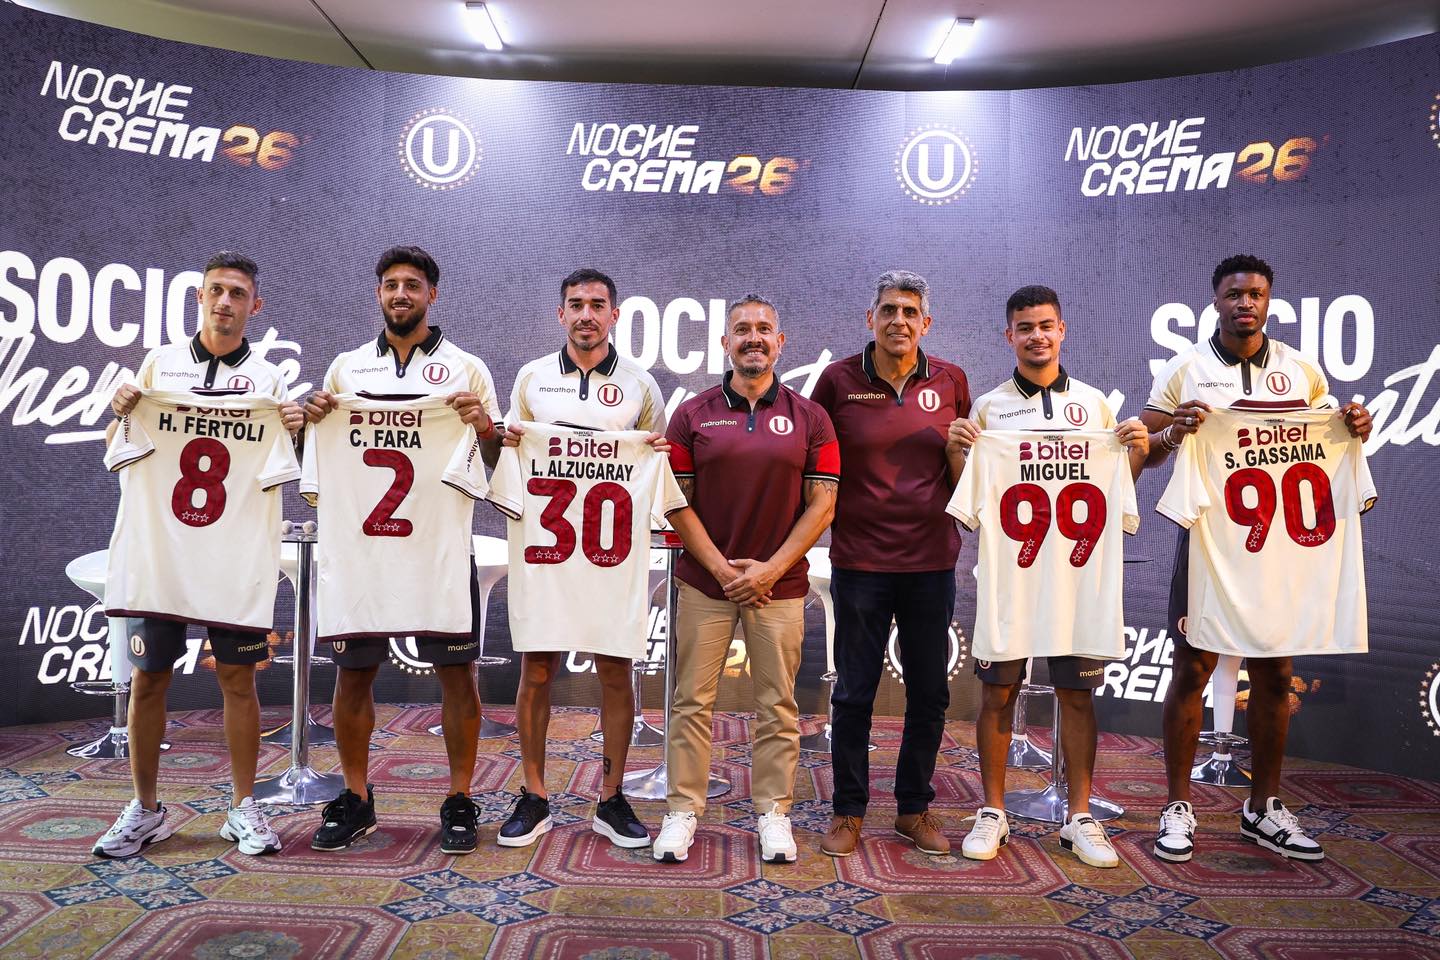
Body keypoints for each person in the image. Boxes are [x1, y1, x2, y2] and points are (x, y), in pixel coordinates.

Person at [1140, 254, 1372, 863]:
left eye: (1256, 294)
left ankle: (1262, 806)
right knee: (1192, 668)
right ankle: (1177, 805)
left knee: (1274, 671)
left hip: (1280, 549)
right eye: (1234, 294)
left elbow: (1331, 432)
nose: (1245, 303)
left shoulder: (1301, 370)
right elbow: (1145, 447)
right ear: (1215, 300)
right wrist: (1174, 432)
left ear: (1269, 301)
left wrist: (1355, 425)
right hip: (1210, 544)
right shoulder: (1186, 368)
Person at [93, 251, 305, 858]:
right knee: (148, 680)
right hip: (162, 553)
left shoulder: (268, 380)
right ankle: (145, 808)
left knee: (238, 680)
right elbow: (116, 449)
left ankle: (243, 805)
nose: (225, 302)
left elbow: (284, 466)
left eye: (237, 293)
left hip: (233, 557)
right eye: (216, 291)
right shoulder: (159, 365)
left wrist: (293, 428)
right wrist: (119, 412)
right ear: (200, 297)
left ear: (255, 306)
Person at [302, 245, 503, 854]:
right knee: (352, 675)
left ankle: (460, 797)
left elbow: (496, 461)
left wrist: (483, 427)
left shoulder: (467, 368)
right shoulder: (346, 369)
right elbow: (318, 460)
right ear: (378, 293)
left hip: (438, 548)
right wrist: (310, 421)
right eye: (390, 284)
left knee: (457, 675)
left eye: (412, 285)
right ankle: (356, 796)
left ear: (431, 295)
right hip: (362, 551)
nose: (400, 294)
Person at [950, 285, 1148, 867]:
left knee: (1078, 696)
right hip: (1012, 578)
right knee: (997, 693)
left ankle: (1079, 815)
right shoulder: (988, 409)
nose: (1036, 336)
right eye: (1024, 327)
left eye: (1045, 325)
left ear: (1062, 330)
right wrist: (957, 452)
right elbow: (968, 500)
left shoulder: (1096, 405)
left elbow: (1116, 493)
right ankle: (992, 809)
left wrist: (1136, 451)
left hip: (1078, 579)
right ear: (1008, 335)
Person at [654, 294, 839, 864]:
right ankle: (682, 809)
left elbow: (823, 504)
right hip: (705, 582)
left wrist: (771, 568)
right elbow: (675, 501)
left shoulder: (811, 417)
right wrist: (719, 568)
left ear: (780, 342)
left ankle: (773, 813)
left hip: (778, 585)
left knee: (777, 704)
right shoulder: (692, 414)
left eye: (763, 329)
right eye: (742, 329)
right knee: (691, 701)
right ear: (725, 342)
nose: (753, 338)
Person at [497, 268, 668, 849]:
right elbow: (511, 454)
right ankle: (534, 794)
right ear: (560, 314)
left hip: (609, 552)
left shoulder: (642, 385)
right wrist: (509, 442)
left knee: (616, 671)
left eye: (598, 304)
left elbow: (655, 462)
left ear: (615, 315)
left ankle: (611, 797)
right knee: (537, 670)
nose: (586, 315)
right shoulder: (532, 378)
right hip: (546, 550)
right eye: (576, 304)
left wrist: (655, 454)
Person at [809, 270, 972, 858]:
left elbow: (966, 475)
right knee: (854, 693)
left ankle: (912, 808)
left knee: (929, 694)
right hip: (860, 562)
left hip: (931, 562)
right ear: (870, 319)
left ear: (925, 323)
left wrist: (957, 453)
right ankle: (848, 811)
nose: (898, 321)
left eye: (909, 312)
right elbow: (813, 461)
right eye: (888, 310)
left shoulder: (952, 380)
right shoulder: (837, 381)